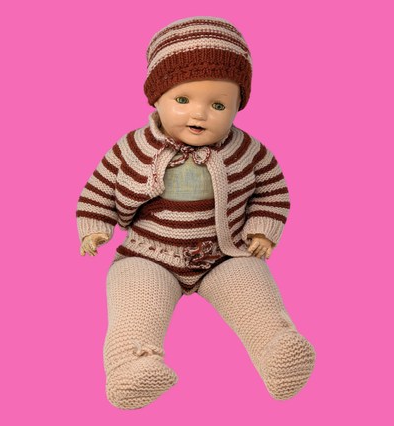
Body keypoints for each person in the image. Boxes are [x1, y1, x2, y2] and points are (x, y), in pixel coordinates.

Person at [76, 16, 316, 410]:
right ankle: (131, 366)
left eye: (218, 104)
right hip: (148, 254)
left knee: (254, 292)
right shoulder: (132, 148)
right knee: (134, 303)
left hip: (224, 254)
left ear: (238, 106)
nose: (199, 114)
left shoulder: (248, 152)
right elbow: (100, 187)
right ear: (156, 97)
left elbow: (272, 190)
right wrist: (95, 226)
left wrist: (262, 229)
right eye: (183, 100)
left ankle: (277, 350)